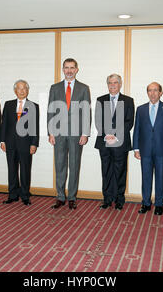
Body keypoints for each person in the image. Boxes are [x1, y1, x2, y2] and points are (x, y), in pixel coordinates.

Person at [47, 58, 91, 210]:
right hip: (58, 134)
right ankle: (60, 197)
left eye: (72, 68)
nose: (69, 70)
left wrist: (85, 133)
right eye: (66, 68)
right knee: (59, 165)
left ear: (77, 69)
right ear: (63, 69)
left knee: (74, 165)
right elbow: (50, 110)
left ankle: (72, 197)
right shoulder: (55, 88)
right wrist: (50, 132)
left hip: (76, 134)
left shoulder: (84, 88)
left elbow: (86, 112)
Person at [95, 74, 134, 211]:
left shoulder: (128, 100)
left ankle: (119, 200)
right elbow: (98, 121)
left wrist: (115, 136)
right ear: (107, 84)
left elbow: (129, 122)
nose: (112, 85)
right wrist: (107, 136)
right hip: (104, 142)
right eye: (110, 83)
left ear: (120, 84)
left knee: (120, 171)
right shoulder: (100, 100)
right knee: (106, 171)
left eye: (115, 82)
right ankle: (107, 199)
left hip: (120, 142)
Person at [132, 82, 163, 215]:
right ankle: (146, 203)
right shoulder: (141, 109)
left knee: (160, 177)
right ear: (147, 92)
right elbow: (137, 129)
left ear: (160, 93)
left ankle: (159, 204)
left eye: (155, 90)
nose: (153, 93)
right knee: (146, 177)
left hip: (162, 150)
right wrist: (136, 148)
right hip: (145, 150)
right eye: (150, 90)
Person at [0, 79, 39, 206]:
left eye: (24, 88)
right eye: (19, 88)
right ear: (15, 90)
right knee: (11, 169)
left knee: (25, 170)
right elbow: (4, 124)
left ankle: (25, 195)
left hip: (26, 144)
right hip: (10, 143)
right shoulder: (8, 104)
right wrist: (2, 140)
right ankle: (12, 195)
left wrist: (34, 143)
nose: (21, 91)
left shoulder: (33, 106)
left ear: (27, 90)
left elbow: (35, 127)